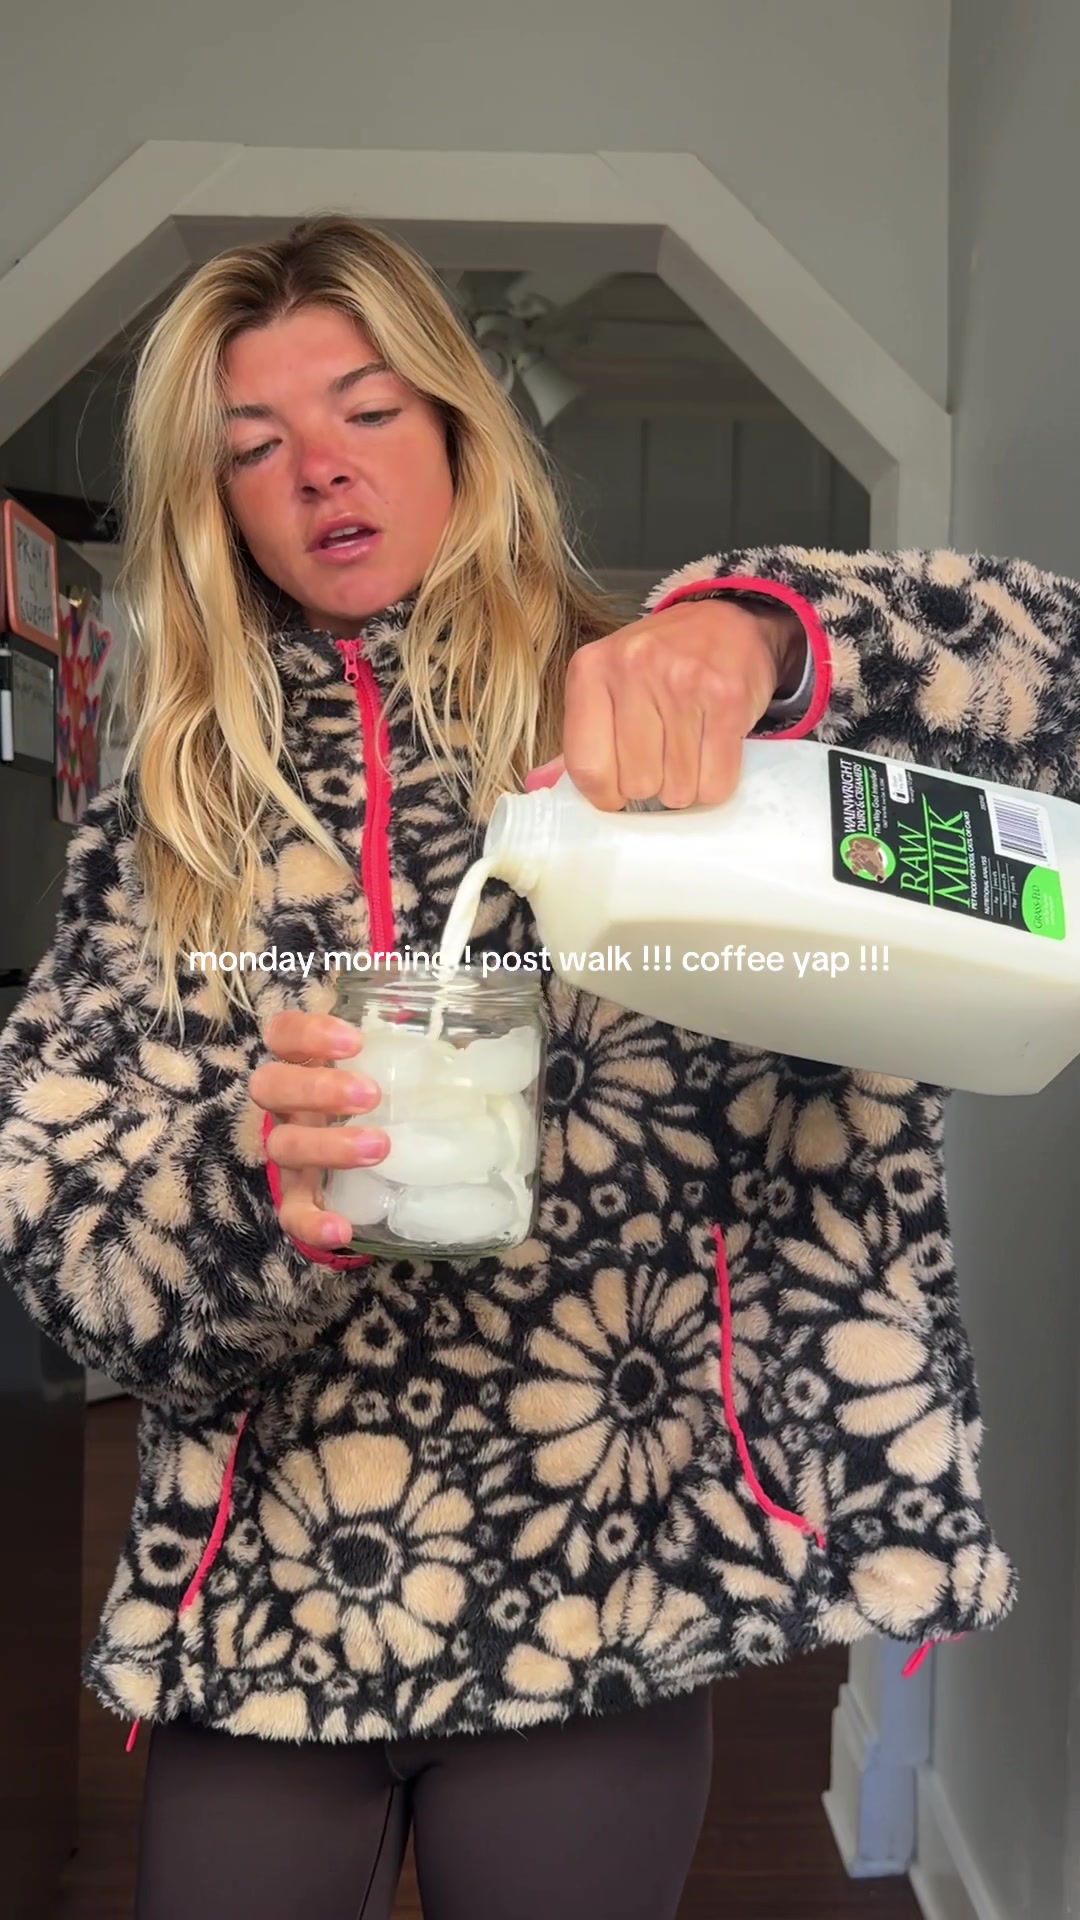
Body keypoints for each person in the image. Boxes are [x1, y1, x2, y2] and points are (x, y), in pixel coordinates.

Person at [1, 215, 1077, 1920]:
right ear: (214, 507)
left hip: (601, 1574)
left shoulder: (656, 719)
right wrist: (255, 1193)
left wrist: (768, 632)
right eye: (254, 446)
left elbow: (1051, 677)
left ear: (456, 425)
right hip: (266, 1599)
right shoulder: (162, 828)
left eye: (367, 410)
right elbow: (64, 1251)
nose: (320, 471)